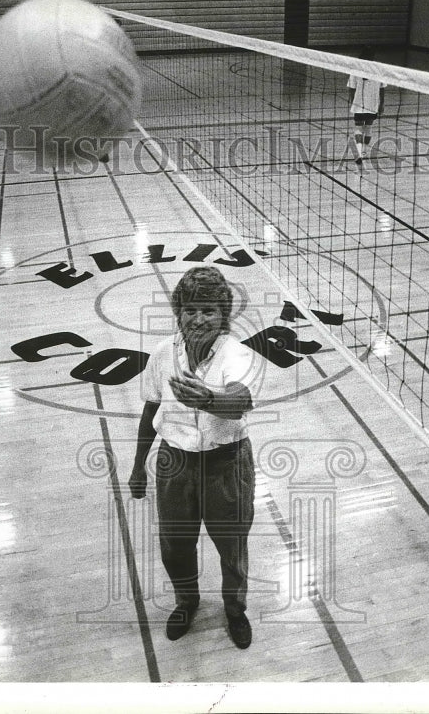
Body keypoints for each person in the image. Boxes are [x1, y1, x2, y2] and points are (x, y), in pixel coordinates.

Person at [128, 267, 263, 650]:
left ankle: (235, 610)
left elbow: (239, 402)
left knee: (232, 545)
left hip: (227, 464)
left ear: (223, 315)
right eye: (191, 310)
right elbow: (150, 410)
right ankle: (187, 601)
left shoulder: (238, 355)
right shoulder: (161, 354)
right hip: (175, 464)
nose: (199, 319)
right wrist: (138, 465)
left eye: (209, 311)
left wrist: (206, 399)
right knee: (174, 543)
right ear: (179, 312)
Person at [346, 46, 385, 166]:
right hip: (373, 103)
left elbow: (351, 88)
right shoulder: (379, 69)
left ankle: (358, 153)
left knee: (358, 128)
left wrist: (353, 101)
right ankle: (364, 152)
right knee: (368, 127)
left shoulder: (355, 70)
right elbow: (382, 88)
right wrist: (381, 104)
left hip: (359, 103)